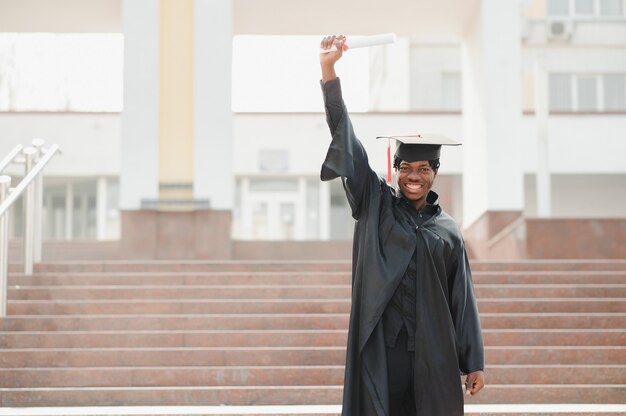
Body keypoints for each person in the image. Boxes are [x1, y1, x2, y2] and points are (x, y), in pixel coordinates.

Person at [319, 35, 485, 416]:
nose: (414, 177)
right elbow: (346, 139)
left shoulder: (448, 231)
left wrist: (473, 360)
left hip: (434, 350)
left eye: (423, 169)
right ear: (395, 169)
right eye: (406, 169)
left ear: (435, 172)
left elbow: (463, 299)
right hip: (384, 348)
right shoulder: (376, 204)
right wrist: (329, 73)